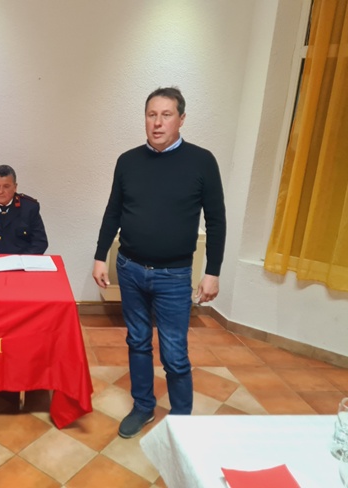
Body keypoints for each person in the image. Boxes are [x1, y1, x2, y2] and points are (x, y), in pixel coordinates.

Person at [92, 87, 226, 438]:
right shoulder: (128, 161)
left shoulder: (202, 161)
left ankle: (181, 423)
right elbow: (113, 211)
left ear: (181, 119)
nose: (157, 122)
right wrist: (99, 256)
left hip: (174, 276)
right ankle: (143, 406)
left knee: (174, 353)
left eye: (166, 115)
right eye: (152, 115)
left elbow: (216, 221)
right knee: (137, 341)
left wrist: (212, 272)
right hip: (130, 269)